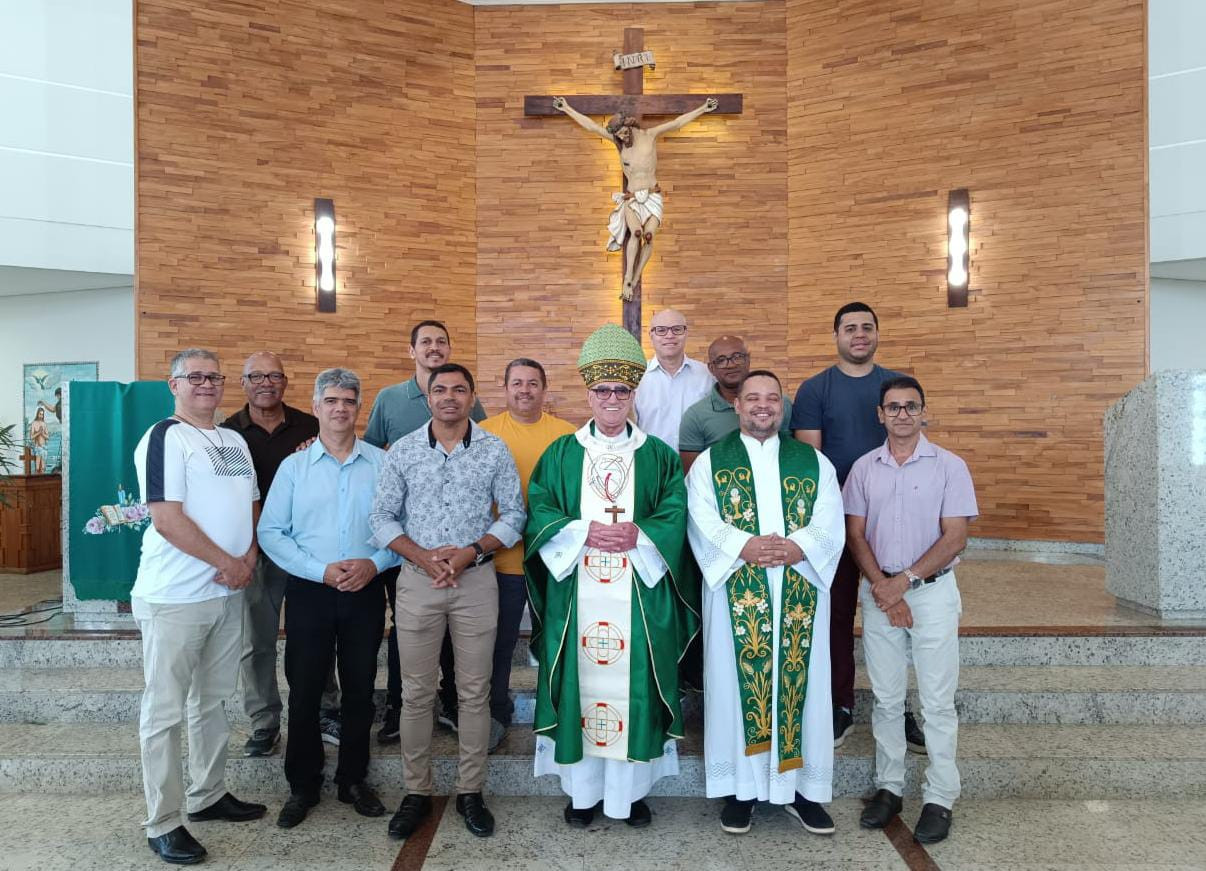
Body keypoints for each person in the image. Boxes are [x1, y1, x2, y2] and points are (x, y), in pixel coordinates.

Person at [525, 324, 697, 828]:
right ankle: (582, 795)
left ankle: (630, 794)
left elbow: (674, 512)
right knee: (582, 686)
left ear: (633, 392)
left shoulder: (660, 456)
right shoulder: (561, 453)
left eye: (621, 390)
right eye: (603, 390)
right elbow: (539, 509)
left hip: (637, 595)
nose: (612, 399)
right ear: (589, 393)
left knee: (636, 684)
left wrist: (638, 535)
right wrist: (581, 532)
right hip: (578, 590)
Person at [369, 363, 525, 841]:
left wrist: (471, 551)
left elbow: (515, 514)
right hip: (418, 582)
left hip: (475, 582)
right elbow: (380, 517)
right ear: (429, 397)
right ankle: (416, 792)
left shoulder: (494, 449)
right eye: (440, 389)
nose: (450, 397)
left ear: (472, 396)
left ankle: (470, 791)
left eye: (459, 389)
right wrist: (421, 555)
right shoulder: (404, 452)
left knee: (473, 692)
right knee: (416, 693)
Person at [686, 370, 844, 836]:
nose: (762, 406)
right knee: (737, 690)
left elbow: (829, 520)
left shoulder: (814, 462)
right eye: (752, 398)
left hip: (798, 590)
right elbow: (701, 518)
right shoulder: (711, 463)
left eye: (771, 399)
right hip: (737, 587)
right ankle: (741, 792)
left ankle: (802, 792)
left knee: (804, 688)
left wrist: (798, 549)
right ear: (737, 406)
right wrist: (743, 547)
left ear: (783, 406)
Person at [130, 348, 266, 865]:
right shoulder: (166, 436)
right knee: (164, 711)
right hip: (175, 597)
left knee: (211, 702)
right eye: (196, 377)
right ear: (174, 384)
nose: (206, 384)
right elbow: (166, 517)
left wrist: (247, 556)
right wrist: (227, 562)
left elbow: (249, 501)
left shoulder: (231, 439)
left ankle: (207, 795)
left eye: (214, 376)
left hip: (225, 593)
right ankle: (162, 822)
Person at [258, 368, 399, 828]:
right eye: (332, 401)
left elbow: (402, 528)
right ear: (316, 407)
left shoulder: (382, 464)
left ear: (360, 409)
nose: (341, 409)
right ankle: (303, 785)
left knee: (359, 690)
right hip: (310, 591)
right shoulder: (294, 467)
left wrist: (373, 564)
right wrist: (318, 570)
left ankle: (354, 780)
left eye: (349, 401)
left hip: (364, 590)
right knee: (304, 690)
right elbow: (271, 532)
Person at [843, 376, 978, 845]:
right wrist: (884, 587)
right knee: (885, 697)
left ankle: (940, 795)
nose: (902, 414)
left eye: (910, 406)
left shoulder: (950, 466)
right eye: (893, 407)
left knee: (938, 701)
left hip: (931, 592)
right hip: (880, 590)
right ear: (880, 414)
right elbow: (856, 535)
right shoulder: (863, 469)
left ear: (924, 412)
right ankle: (890, 787)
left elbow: (956, 536)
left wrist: (905, 583)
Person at [790, 302, 924, 752]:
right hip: (836, 522)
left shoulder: (894, 388)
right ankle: (839, 704)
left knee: (897, 618)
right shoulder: (815, 390)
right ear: (836, 336)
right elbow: (812, 464)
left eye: (868, 327)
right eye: (850, 328)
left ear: (878, 334)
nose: (860, 335)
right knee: (835, 618)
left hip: (894, 522)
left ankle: (900, 707)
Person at [364, 320, 487, 743]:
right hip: (410, 549)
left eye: (441, 341)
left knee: (459, 638)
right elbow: (371, 452)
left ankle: (453, 703)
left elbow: (479, 452)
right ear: (411, 349)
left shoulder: (468, 399)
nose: (434, 347)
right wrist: (416, 550)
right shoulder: (390, 399)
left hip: (464, 553)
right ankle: (401, 708)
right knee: (407, 631)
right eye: (426, 342)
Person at [219, 351, 332, 757]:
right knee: (258, 639)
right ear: (243, 382)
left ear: (285, 382)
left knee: (316, 634)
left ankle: (324, 708)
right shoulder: (227, 432)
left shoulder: (311, 426)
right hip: (254, 549)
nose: (265, 383)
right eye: (256, 376)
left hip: (305, 547)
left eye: (274, 376)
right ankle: (264, 721)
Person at [477, 358, 576, 749]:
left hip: (555, 561)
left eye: (532, 383)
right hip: (502, 562)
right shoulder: (484, 433)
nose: (524, 390)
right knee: (500, 642)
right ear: (504, 389)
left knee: (559, 639)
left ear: (544, 389)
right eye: (516, 383)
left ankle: (560, 710)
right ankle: (496, 711)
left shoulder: (568, 436)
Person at [552, 96, 719, 299]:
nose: (622, 137)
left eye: (623, 132)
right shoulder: (619, 143)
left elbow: (677, 123)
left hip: (652, 196)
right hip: (631, 198)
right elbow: (592, 127)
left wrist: (703, 108)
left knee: (648, 237)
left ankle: (635, 278)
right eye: (619, 135)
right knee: (636, 234)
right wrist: (567, 108)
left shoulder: (649, 135)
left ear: (629, 125)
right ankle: (627, 278)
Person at [678, 335, 794, 472]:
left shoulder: (779, 405)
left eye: (737, 357)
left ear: (748, 360)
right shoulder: (696, 416)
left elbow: (793, 452)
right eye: (721, 360)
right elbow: (691, 475)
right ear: (711, 368)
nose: (731, 364)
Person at [633, 308, 714, 451]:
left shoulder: (707, 375)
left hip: (698, 465)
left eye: (677, 329)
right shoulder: (636, 377)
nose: (669, 335)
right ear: (651, 335)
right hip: (652, 464)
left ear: (686, 333)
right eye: (661, 330)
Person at [28, 407, 49, 474]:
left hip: (44, 447)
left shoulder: (44, 424)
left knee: (43, 467)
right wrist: (38, 433)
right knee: (37, 467)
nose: (41, 416)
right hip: (37, 447)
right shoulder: (34, 423)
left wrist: (42, 433)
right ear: (37, 414)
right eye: (40, 414)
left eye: (42, 414)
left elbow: (47, 437)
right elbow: (31, 437)